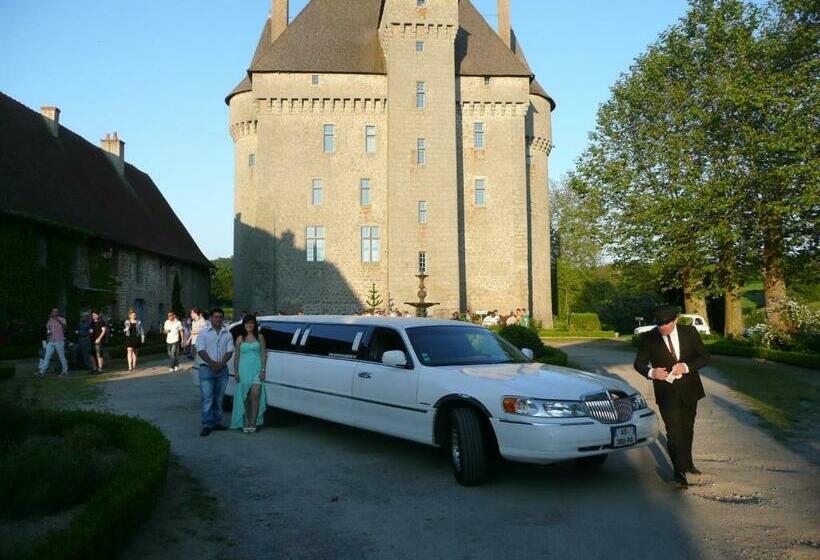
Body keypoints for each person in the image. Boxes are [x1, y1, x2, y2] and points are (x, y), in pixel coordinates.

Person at [633, 304, 709, 489]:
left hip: (690, 389)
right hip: (666, 393)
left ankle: (688, 463)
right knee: (674, 431)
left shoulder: (689, 332)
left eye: (666, 323)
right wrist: (651, 372)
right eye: (659, 324)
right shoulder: (648, 337)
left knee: (687, 428)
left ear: (676, 319)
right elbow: (639, 363)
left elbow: (704, 357)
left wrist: (687, 367)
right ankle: (679, 473)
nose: (662, 328)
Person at [196, 308, 234, 437]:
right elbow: (201, 350)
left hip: (222, 370)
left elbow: (229, 351)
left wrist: (221, 364)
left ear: (223, 319)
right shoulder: (203, 333)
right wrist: (212, 364)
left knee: (218, 399)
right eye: (216, 317)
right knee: (207, 398)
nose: (218, 319)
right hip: (206, 369)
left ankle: (217, 422)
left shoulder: (227, 334)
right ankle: (207, 424)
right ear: (211, 318)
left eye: (220, 317)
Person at [231, 315, 268, 433]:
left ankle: (254, 421)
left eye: (251, 323)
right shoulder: (240, 338)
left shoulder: (260, 337)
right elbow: (236, 357)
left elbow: (263, 354)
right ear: (244, 325)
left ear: (255, 324)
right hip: (243, 369)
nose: (249, 325)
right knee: (245, 397)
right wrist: (236, 372)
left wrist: (263, 370)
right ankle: (247, 420)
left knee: (256, 394)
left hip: (256, 368)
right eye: (247, 323)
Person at [37, 308, 69, 377]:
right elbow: (48, 330)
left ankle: (65, 371)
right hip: (51, 341)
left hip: (59, 340)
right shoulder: (49, 321)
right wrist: (48, 332)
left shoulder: (62, 319)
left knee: (61, 356)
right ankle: (42, 371)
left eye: (56, 312)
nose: (54, 313)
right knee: (47, 356)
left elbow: (65, 328)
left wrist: (58, 320)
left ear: (58, 313)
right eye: (53, 312)